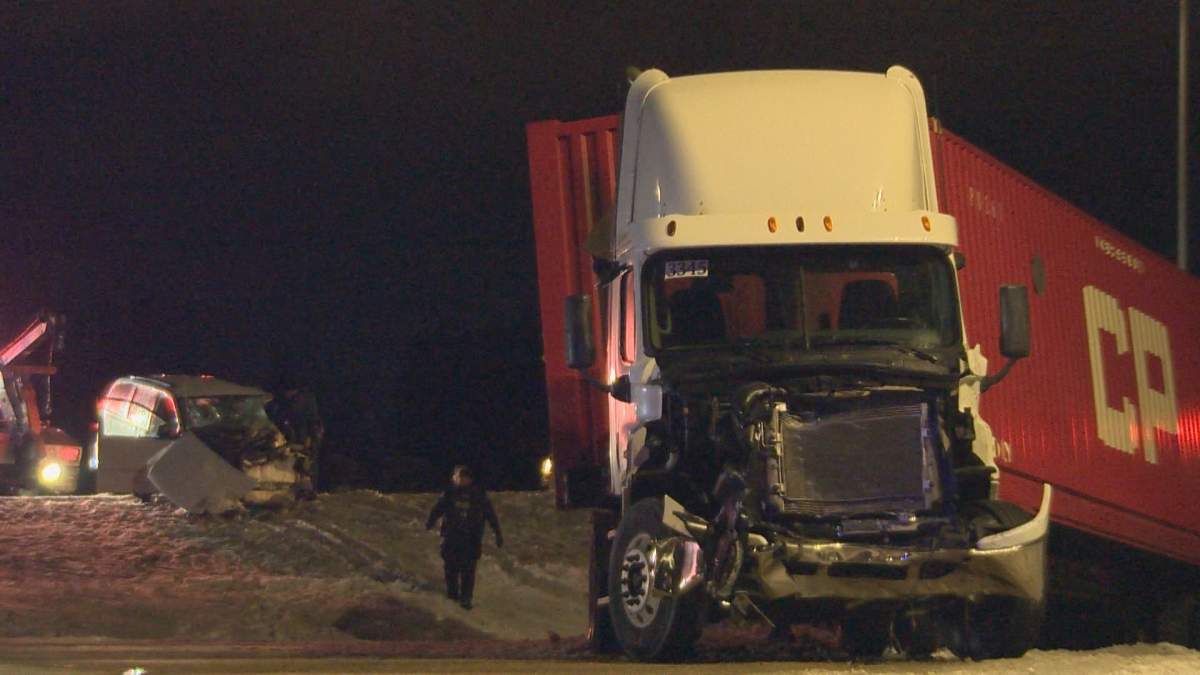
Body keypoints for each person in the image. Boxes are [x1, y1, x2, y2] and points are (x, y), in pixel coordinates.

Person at [425, 465, 503, 609]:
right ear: (455, 478)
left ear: (470, 479)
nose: (462, 480)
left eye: (465, 477)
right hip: (451, 538)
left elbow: (490, 514)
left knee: (468, 570)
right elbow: (437, 509)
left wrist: (497, 533)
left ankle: (466, 597)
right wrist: (430, 522)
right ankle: (452, 594)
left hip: (471, 539)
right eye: (460, 477)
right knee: (451, 568)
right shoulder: (449, 494)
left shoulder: (479, 495)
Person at [266, 376, 324, 496]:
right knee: (296, 462)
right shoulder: (287, 401)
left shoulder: (304, 400)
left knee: (307, 463)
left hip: (304, 436)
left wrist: (310, 438)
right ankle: (300, 488)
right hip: (294, 436)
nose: (287, 394)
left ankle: (310, 489)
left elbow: (312, 421)